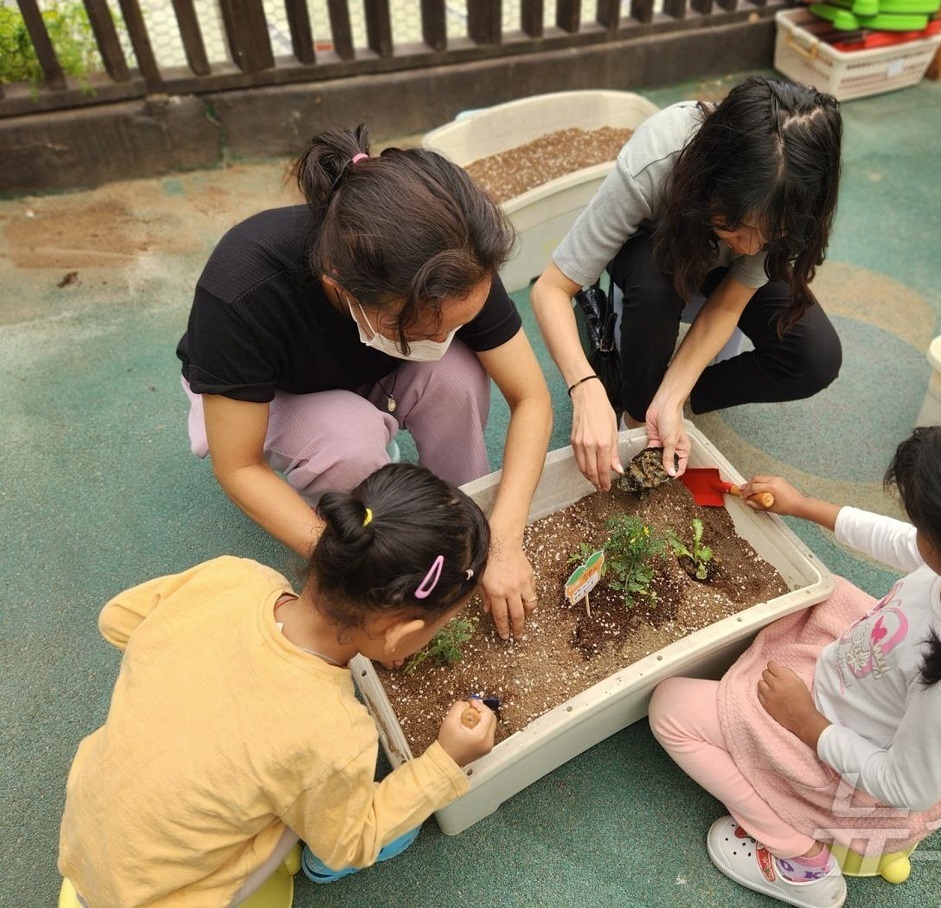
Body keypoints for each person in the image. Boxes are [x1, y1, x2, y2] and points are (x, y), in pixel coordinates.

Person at [648, 409, 941, 907]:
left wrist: (805, 722)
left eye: (921, 524)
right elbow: (899, 543)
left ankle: (801, 861)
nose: (912, 532)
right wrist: (804, 505)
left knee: (670, 709)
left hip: (841, 756)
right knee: (816, 596)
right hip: (857, 678)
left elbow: (904, 786)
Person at [59, 462, 497, 903]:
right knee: (302, 804)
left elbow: (116, 619)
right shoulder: (333, 734)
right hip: (165, 896)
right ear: (400, 635)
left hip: (84, 834)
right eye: (444, 623)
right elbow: (352, 841)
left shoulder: (233, 577)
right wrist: (445, 760)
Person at [177, 125, 553, 639]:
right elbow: (238, 466)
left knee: (457, 376)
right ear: (341, 287)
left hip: (374, 363)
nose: (448, 336)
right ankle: (375, 537)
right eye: (428, 328)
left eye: (460, 324)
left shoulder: (456, 259)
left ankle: (463, 524)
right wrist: (352, 567)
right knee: (347, 441)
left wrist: (505, 538)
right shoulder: (244, 290)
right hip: (269, 398)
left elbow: (530, 397)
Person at [530, 76, 843, 490]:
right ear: (710, 182)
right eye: (738, 226)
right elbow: (551, 289)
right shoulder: (658, 158)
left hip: (716, 267)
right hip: (655, 252)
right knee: (655, 276)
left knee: (815, 357)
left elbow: (729, 305)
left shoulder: (792, 195)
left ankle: (659, 402)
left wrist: (672, 396)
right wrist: (585, 388)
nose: (752, 247)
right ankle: (636, 417)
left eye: (770, 235)